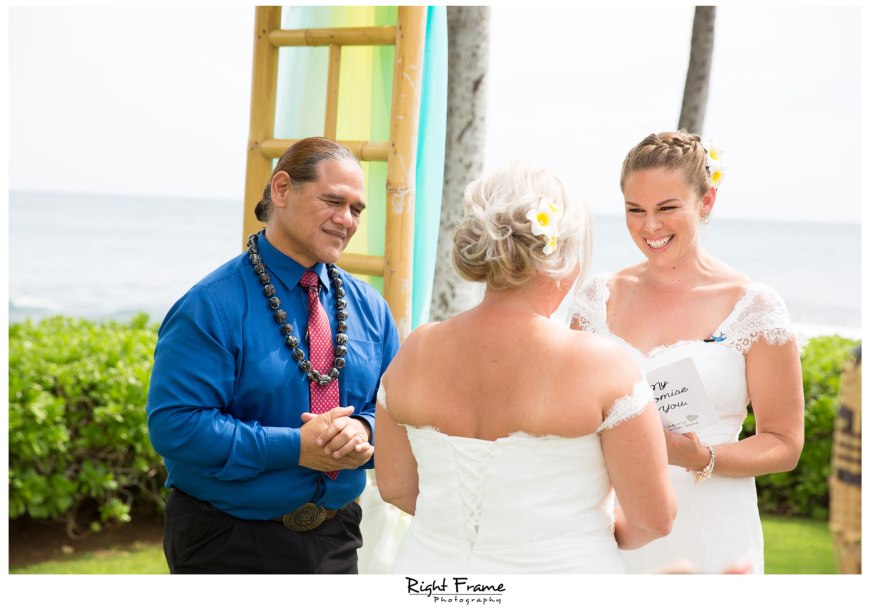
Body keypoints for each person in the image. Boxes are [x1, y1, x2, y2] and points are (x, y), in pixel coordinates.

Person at [375, 163, 676, 573]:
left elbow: (394, 487)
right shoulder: (601, 366)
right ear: (564, 256)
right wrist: (573, 536)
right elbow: (653, 520)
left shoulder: (417, 349)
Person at [146, 137, 400, 574]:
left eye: (357, 209)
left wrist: (362, 430)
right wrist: (295, 448)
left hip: (337, 540)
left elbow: (397, 412)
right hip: (225, 543)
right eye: (333, 201)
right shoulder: (211, 305)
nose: (347, 220)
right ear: (281, 190)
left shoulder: (370, 308)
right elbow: (176, 426)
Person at [570, 130, 805, 574]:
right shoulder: (597, 298)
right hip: (612, 528)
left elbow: (785, 444)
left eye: (667, 208)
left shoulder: (754, 306)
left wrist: (702, 458)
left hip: (714, 527)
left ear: (707, 201)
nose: (649, 226)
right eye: (634, 210)